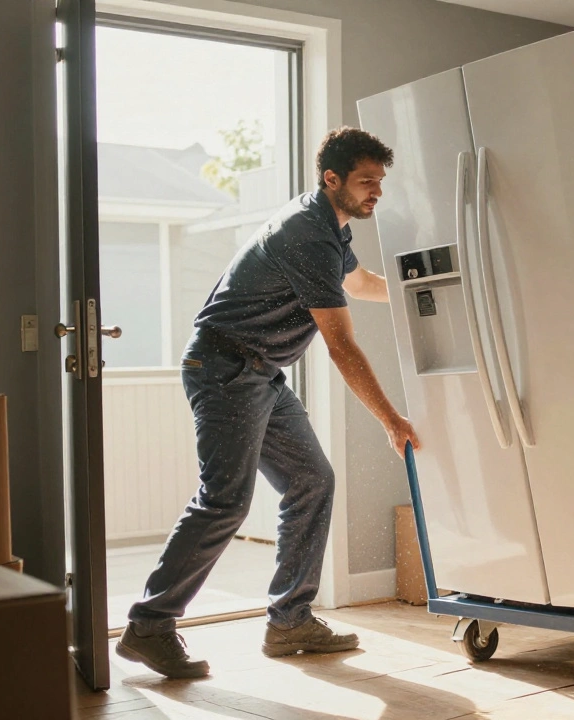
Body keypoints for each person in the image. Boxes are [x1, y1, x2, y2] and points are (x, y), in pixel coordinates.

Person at [115, 127, 420, 679]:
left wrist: (429, 286)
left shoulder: (329, 226)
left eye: (380, 181)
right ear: (332, 179)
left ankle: (289, 620)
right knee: (224, 501)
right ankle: (150, 625)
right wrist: (390, 419)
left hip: (258, 371)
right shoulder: (308, 234)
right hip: (226, 368)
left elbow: (360, 284)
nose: (377, 191)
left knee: (311, 480)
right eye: (366, 181)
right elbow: (341, 343)